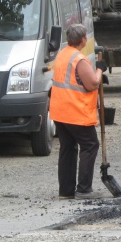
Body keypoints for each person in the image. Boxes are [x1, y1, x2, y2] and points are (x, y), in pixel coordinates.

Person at [50, 23, 106, 200]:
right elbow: (92, 83)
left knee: (68, 148)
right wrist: (100, 69)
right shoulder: (79, 59)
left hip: (60, 111)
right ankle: (84, 190)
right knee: (90, 145)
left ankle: (66, 191)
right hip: (76, 111)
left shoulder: (62, 55)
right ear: (83, 40)